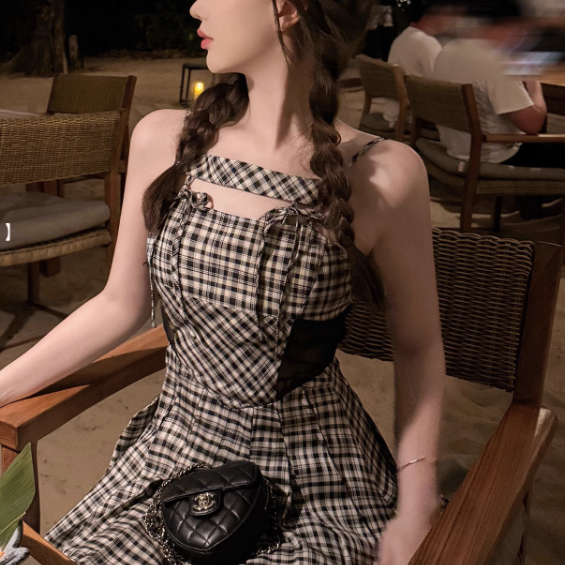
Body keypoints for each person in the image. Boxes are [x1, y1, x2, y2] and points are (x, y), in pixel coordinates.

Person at [0, 0, 446, 563]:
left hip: (314, 479)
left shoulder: (383, 171)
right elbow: (119, 305)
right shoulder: (164, 139)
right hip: (172, 455)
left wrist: (417, 504)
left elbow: (418, 345)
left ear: (286, 8)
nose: (195, 5)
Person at [432, 0, 563, 219]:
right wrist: (534, 84)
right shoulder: (495, 61)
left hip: (456, 145)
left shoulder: (451, 48)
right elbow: (533, 124)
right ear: (513, 25)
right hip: (494, 153)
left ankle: (534, 208)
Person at [383, 0, 447, 128]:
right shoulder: (428, 44)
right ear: (427, 18)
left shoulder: (401, 38)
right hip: (414, 118)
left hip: (394, 113)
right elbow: (442, 88)